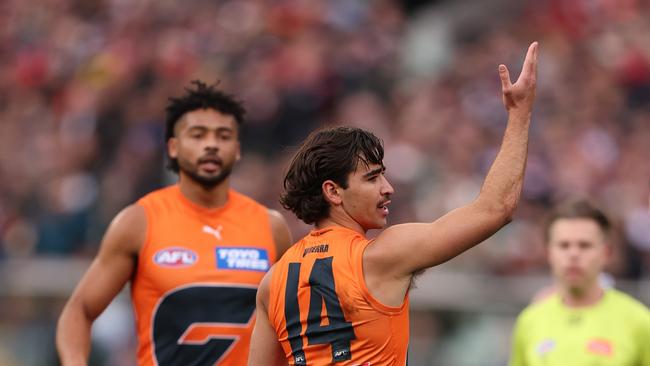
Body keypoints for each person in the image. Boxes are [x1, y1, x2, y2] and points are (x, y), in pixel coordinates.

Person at [247, 42, 539, 366]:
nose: (388, 189)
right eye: (372, 178)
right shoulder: (383, 255)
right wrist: (519, 115)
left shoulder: (273, 281)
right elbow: (497, 208)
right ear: (333, 192)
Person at [56, 81, 293, 366]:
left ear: (237, 149)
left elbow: (291, 327)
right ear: (173, 147)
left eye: (223, 135)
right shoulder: (139, 222)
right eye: (197, 134)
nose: (211, 144)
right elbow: (79, 311)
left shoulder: (271, 227)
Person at [509, 199, 650, 366]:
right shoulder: (529, 320)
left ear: (606, 253)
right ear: (549, 253)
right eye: (564, 245)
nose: (573, 254)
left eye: (584, 245)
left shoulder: (639, 321)